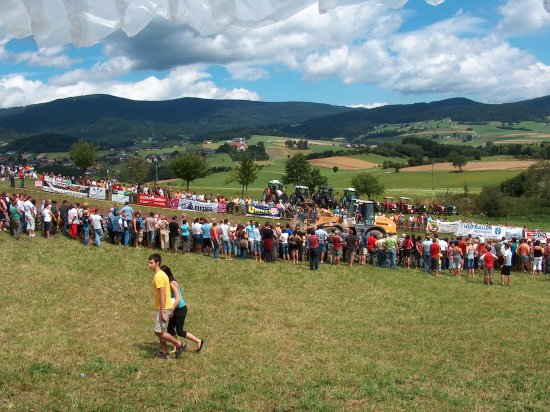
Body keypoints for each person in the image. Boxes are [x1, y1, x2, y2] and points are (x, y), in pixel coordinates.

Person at [148, 254, 186, 359]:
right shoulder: (162, 274)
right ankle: (164, 353)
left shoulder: (159, 276)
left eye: (151, 263)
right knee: (160, 331)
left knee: (158, 332)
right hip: (166, 307)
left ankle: (180, 344)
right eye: (149, 263)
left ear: (157, 263)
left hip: (164, 308)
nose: (149, 265)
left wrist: (162, 312)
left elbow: (163, 295)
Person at [162, 265, 204, 354]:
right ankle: (176, 347)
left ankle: (198, 341)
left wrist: (172, 310)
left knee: (180, 331)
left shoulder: (171, 283)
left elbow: (177, 299)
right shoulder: (169, 282)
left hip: (180, 309)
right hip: (175, 308)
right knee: (170, 328)